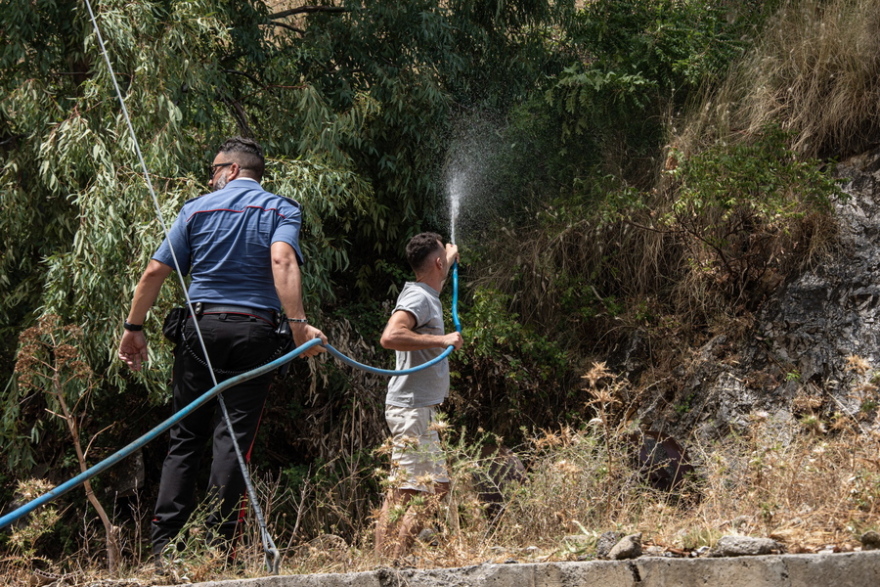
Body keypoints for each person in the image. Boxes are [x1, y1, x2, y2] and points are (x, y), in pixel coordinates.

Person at [117, 136, 327, 560]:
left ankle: (164, 550)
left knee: (184, 438)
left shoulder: (195, 210)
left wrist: (133, 327)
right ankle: (218, 549)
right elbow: (282, 259)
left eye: (214, 170)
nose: (211, 178)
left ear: (232, 170)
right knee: (233, 440)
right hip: (255, 333)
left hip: (200, 330)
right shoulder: (281, 208)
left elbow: (155, 271)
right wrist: (298, 327)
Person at [374, 232, 463, 558]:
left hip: (421, 409)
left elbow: (438, 270)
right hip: (411, 410)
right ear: (437, 263)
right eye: (443, 259)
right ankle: (383, 567)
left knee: (437, 488)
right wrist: (442, 340)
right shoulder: (419, 298)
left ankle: (395, 562)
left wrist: (448, 258)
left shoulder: (426, 291)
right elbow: (391, 335)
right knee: (405, 491)